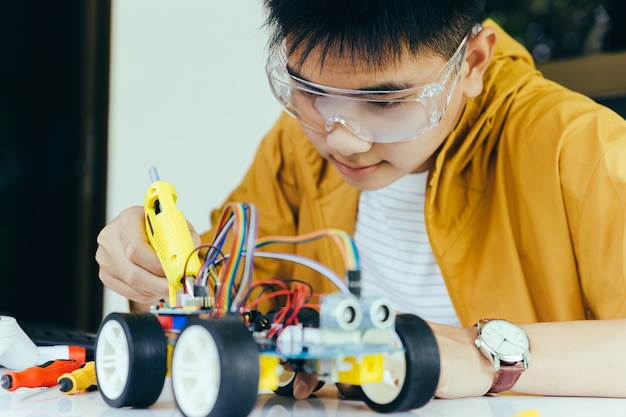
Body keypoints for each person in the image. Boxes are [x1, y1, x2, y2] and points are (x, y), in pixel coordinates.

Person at [96, 0, 626, 404]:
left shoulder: (580, 150)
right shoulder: (294, 150)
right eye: (310, 91)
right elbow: (228, 315)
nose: (342, 138)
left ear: (473, 64)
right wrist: (155, 274)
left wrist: (486, 358)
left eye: (387, 101)